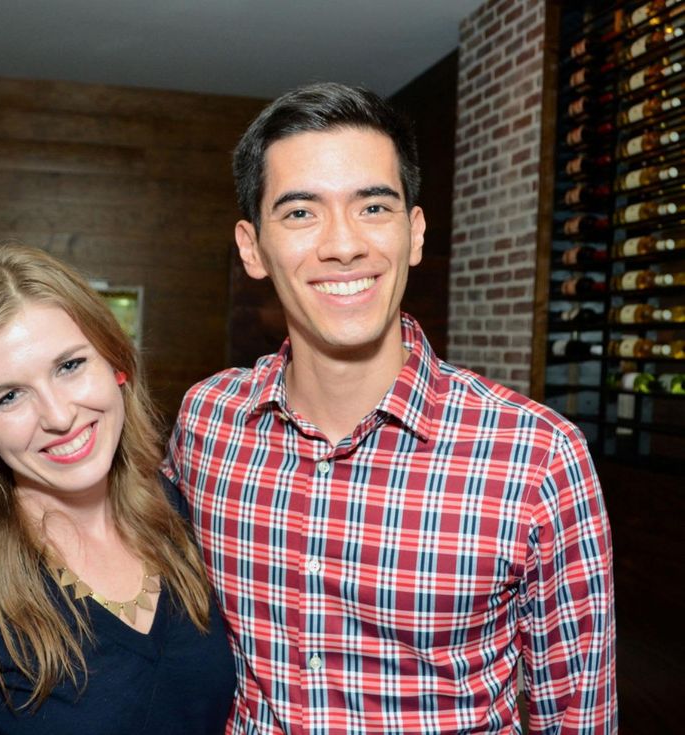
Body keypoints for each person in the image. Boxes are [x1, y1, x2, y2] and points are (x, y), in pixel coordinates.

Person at [163, 83, 616, 734]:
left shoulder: (538, 456)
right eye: (300, 213)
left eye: (373, 205)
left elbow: (580, 717)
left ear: (415, 232)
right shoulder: (209, 423)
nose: (343, 244)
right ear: (252, 247)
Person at [0, 244, 235, 733]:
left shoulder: (190, 515)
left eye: (69, 366)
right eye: (8, 397)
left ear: (115, 362)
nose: (59, 416)